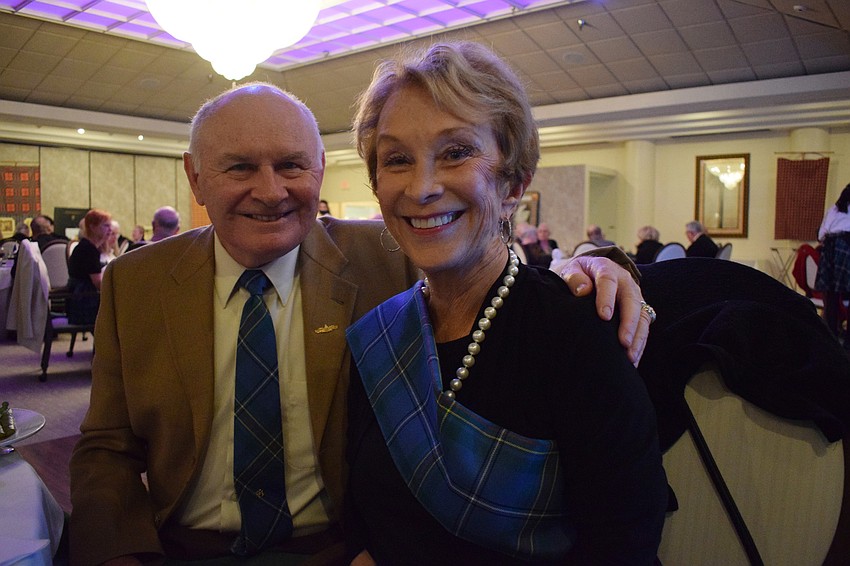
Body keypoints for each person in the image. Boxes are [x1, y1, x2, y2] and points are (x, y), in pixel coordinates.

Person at [68, 82, 650, 565]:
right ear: (196, 178)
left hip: (339, 550)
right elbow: (106, 447)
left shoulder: (388, 257)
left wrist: (589, 265)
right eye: (240, 167)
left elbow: (487, 268)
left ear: (320, 170)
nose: (270, 191)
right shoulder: (136, 283)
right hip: (182, 549)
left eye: (291, 165)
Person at [344, 41, 667, 564]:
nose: (421, 188)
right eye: (397, 159)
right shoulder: (379, 336)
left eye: (456, 152)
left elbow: (624, 545)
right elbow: (367, 528)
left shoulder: (575, 336)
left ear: (513, 186)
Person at [816, 183, 850, 343]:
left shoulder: (833, 210)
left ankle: (830, 337)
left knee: (830, 296)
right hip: (847, 249)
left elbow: (821, 235)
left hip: (829, 250)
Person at [67, 208, 111, 325]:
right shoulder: (88, 250)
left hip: (80, 300)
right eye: (106, 226)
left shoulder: (86, 247)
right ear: (92, 227)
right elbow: (98, 283)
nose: (110, 230)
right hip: (84, 304)